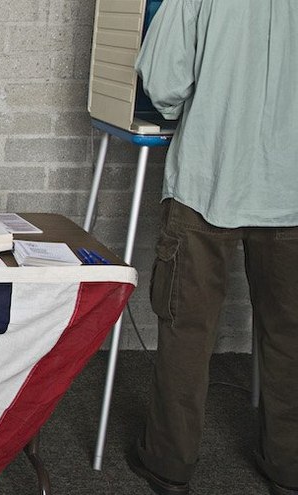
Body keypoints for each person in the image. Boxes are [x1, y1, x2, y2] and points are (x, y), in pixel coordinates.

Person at [128, 2, 298, 494]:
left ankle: (169, 464)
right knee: (290, 334)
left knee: (188, 329)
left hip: (209, 181)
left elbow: (163, 80)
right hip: (291, 191)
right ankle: (289, 467)